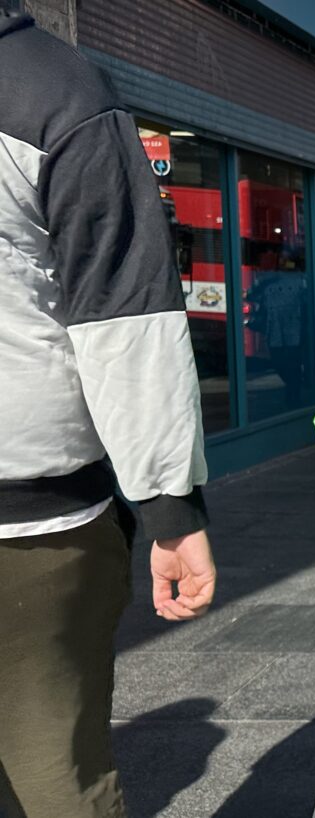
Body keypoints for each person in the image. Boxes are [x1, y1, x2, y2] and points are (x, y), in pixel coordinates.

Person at [0, 10, 216, 817]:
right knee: (56, 770)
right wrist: (170, 508)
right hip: (31, 522)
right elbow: (124, 320)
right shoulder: (55, 89)